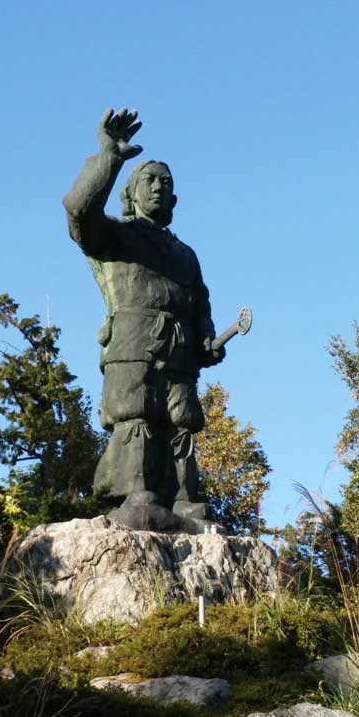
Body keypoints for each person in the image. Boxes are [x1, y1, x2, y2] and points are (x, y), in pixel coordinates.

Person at [63, 107, 224, 523]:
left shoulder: (184, 255)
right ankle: (137, 494)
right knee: (136, 414)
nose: (158, 187)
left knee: (181, 422)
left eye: (165, 183)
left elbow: (200, 305)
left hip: (180, 352)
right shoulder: (115, 237)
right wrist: (110, 159)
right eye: (149, 180)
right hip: (133, 343)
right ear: (131, 193)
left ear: (174, 198)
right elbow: (79, 211)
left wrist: (206, 338)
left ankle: (186, 500)